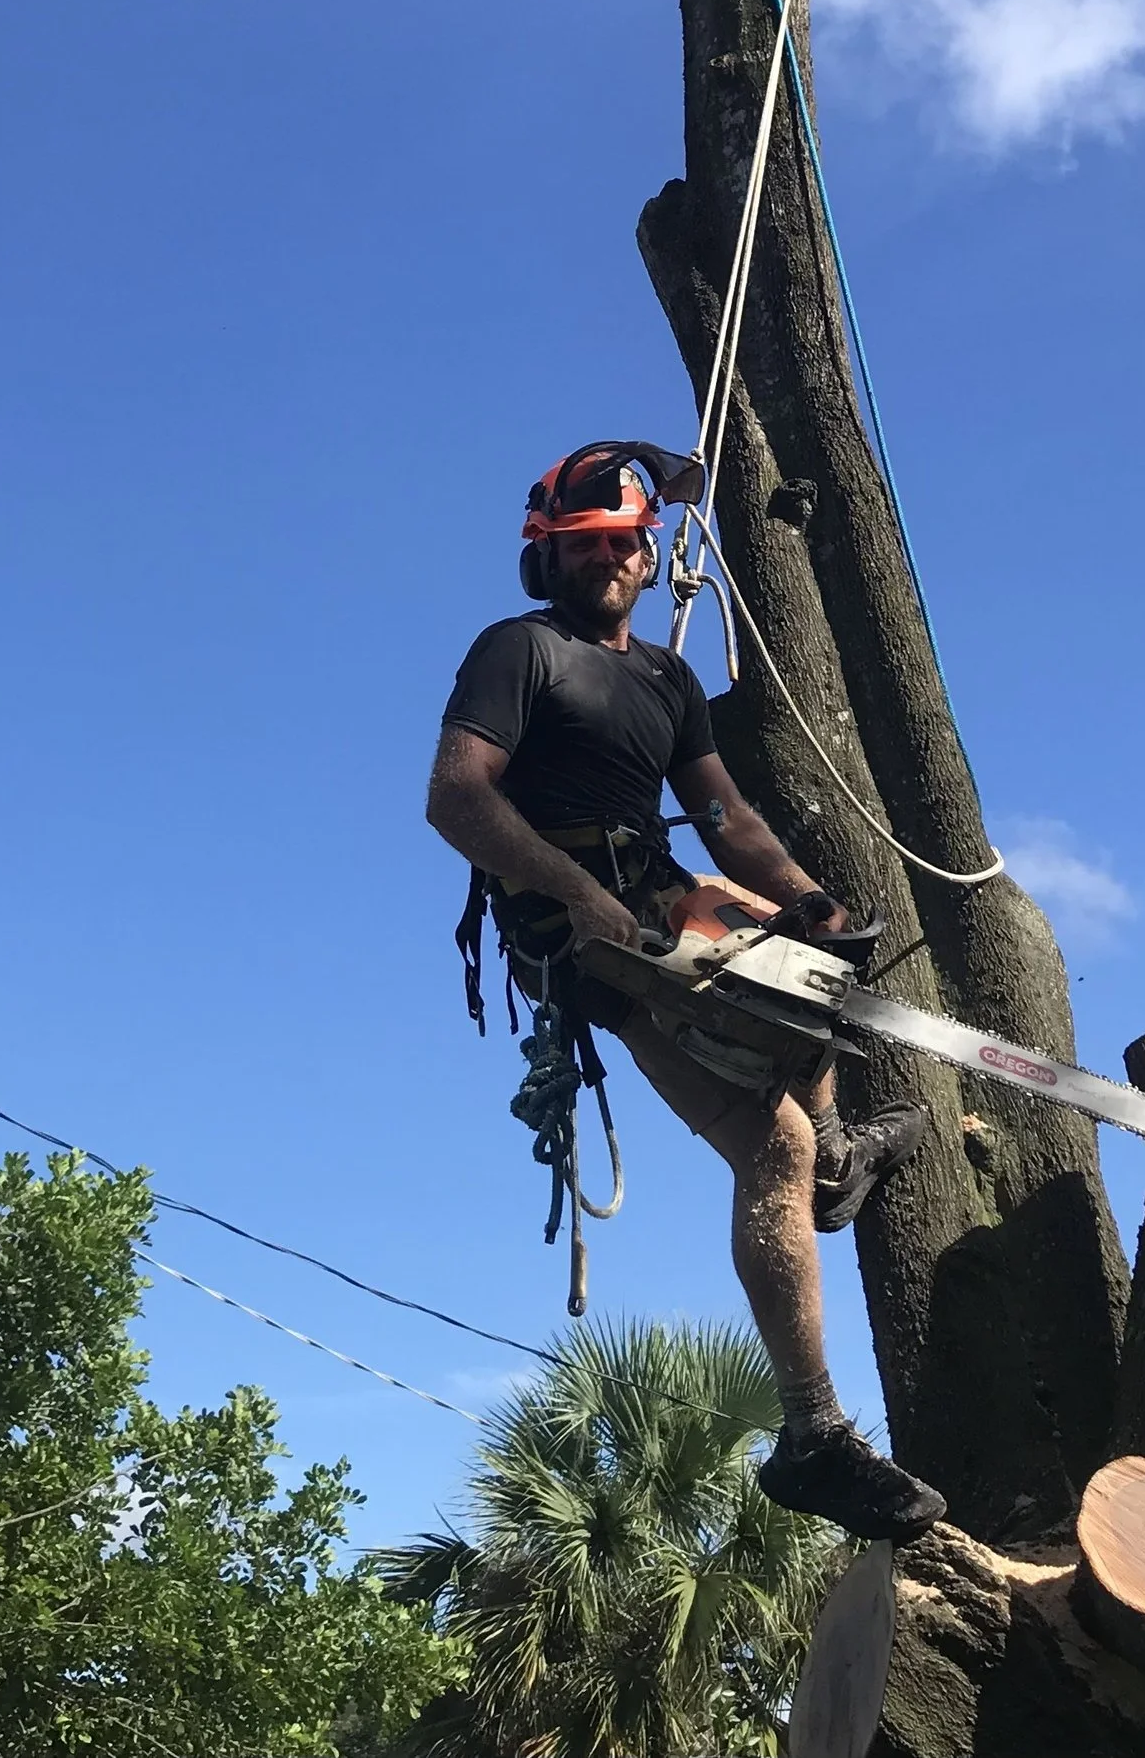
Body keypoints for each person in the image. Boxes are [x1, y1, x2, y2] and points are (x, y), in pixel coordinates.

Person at [427, 442, 944, 1542]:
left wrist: (811, 902)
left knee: (818, 981)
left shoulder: (666, 680)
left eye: (626, 542)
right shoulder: (519, 651)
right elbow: (456, 798)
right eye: (590, 545)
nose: (613, 559)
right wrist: (573, 892)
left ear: (647, 551)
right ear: (550, 556)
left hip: (661, 894)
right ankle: (814, 1435)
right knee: (772, 1149)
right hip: (581, 928)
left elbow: (726, 821)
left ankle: (841, 1144)